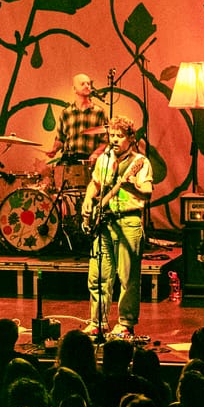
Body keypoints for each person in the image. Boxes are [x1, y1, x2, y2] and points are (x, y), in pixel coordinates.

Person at [80, 115, 152, 339]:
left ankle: (125, 324)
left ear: (130, 138)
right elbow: (95, 184)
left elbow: (147, 192)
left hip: (128, 221)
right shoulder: (104, 159)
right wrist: (88, 200)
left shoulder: (140, 162)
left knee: (127, 278)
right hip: (105, 221)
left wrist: (132, 188)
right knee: (99, 275)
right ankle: (98, 322)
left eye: (119, 136)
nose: (114, 139)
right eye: (112, 135)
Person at [48, 72, 108, 166]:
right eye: (82, 84)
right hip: (69, 160)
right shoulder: (66, 113)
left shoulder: (99, 112)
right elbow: (60, 138)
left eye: (88, 84)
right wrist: (54, 149)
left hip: (89, 160)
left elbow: (106, 141)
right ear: (74, 89)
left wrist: (96, 154)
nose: (87, 86)